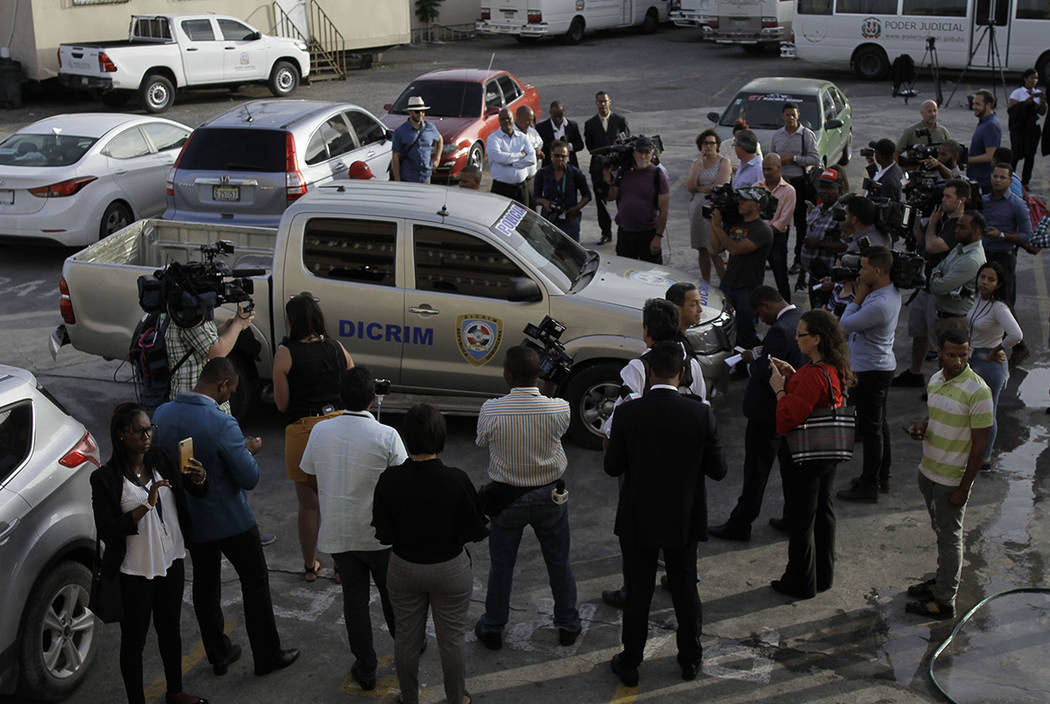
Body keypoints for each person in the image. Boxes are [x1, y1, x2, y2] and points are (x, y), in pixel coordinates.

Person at [152, 358, 299, 678]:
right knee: (255, 583)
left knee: (205, 585)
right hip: (231, 519)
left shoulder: (162, 414)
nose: (228, 397)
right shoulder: (221, 423)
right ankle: (267, 654)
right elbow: (249, 478)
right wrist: (248, 451)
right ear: (221, 385)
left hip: (190, 518)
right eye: (229, 391)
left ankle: (218, 653)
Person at [604, 341, 727, 687]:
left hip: (638, 517)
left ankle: (630, 661)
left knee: (638, 593)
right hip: (683, 518)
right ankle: (690, 658)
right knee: (685, 590)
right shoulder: (701, 413)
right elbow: (718, 470)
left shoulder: (628, 413)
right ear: (683, 373)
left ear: (648, 373)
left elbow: (613, 467)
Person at [90, 403, 208, 704]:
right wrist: (146, 505)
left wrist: (199, 479)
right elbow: (107, 528)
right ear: (121, 435)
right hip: (135, 570)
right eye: (139, 431)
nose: (147, 436)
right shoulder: (105, 478)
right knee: (134, 642)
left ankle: (175, 690)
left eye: (149, 429)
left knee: (170, 629)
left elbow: (188, 493)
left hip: (171, 559)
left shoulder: (162, 458)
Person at [299, 367, 407, 691]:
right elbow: (402, 484)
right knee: (394, 600)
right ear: (374, 398)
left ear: (340, 398)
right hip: (380, 538)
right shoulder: (387, 436)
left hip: (340, 535)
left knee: (354, 602)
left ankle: (366, 667)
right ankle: (406, 653)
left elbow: (310, 478)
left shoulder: (320, 431)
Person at [373, 404, 488, 704]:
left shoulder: (389, 479)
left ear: (407, 437)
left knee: (407, 639)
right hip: (450, 568)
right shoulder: (457, 479)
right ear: (440, 436)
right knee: (452, 641)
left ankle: (409, 697)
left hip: (403, 567)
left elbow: (382, 533)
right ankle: (456, 698)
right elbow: (476, 530)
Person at [474, 345, 581, 650]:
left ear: (508, 374)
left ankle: (493, 627)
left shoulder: (491, 409)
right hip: (550, 496)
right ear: (539, 374)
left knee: (502, 566)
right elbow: (554, 412)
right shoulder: (560, 408)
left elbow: (481, 441)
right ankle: (568, 624)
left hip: (507, 499)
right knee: (559, 562)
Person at [904, 329, 992, 620]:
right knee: (941, 532)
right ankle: (941, 580)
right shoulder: (935, 380)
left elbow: (980, 446)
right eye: (951, 354)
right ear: (939, 352)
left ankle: (944, 600)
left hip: (951, 479)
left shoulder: (978, 391)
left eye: (963, 355)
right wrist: (923, 427)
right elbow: (936, 416)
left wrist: (964, 487)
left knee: (950, 537)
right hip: (928, 470)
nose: (958, 360)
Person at [768, 309, 856, 598]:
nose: (796, 338)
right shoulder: (834, 368)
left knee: (801, 518)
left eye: (801, 334)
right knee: (823, 511)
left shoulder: (813, 376)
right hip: (828, 450)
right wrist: (794, 377)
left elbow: (787, 418)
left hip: (807, 455)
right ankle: (822, 575)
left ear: (816, 339)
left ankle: (800, 581)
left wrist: (780, 390)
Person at [710, 286, 803, 541]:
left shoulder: (779, 330)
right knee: (789, 468)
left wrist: (752, 361)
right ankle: (793, 517)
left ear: (767, 305)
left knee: (756, 472)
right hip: (789, 410)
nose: (761, 319)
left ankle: (740, 524)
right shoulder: (799, 321)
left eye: (760, 313)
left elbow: (766, 372)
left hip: (767, 413)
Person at [272, 292, 353, 582]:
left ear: (291, 321)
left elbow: (282, 404)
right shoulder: (336, 348)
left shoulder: (285, 353)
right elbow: (353, 385)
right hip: (337, 427)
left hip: (303, 430)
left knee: (309, 505)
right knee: (337, 501)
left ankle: (310, 566)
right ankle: (342, 568)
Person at [836, 247, 902, 503]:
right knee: (879, 426)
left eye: (863, 268)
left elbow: (844, 325)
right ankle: (880, 476)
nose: (859, 273)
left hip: (871, 371)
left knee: (872, 430)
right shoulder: (884, 292)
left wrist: (857, 297)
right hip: (873, 366)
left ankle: (869, 486)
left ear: (876, 270)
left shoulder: (881, 302)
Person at [894, 179, 971, 388]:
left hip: (939, 291)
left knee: (939, 340)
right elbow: (920, 238)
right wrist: (920, 214)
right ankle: (915, 372)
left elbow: (933, 245)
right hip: (924, 285)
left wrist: (933, 225)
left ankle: (944, 383)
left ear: (961, 200)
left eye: (948, 197)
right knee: (919, 332)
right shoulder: (941, 217)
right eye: (943, 196)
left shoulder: (959, 225)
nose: (943, 200)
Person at [966, 262, 1022, 471]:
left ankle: (985, 458)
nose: (985, 282)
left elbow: (1016, 335)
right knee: (972, 411)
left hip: (989, 364)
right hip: (973, 359)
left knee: (988, 413)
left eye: (991, 279)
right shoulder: (978, 299)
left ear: (998, 284)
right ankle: (975, 452)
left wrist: (998, 348)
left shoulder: (999, 307)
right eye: (983, 277)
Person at [710, 187, 775, 348]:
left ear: (757, 205)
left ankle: (745, 366)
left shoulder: (762, 230)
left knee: (745, 331)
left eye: (745, 200)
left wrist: (718, 228)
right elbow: (717, 247)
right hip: (728, 283)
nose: (740, 202)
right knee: (724, 327)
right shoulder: (735, 224)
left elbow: (735, 249)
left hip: (748, 288)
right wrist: (713, 223)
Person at [166, 306, 255, 416]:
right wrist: (238, 324)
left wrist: (229, 327)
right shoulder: (190, 311)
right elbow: (217, 352)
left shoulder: (179, 307)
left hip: (190, 401)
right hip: (197, 405)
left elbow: (203, 339)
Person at [769, 102, 819, 271]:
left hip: (799, 184)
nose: (790, 118)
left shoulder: (806, 135)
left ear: (798, 116)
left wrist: (794, 158)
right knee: (780, 222)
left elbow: (815, 159)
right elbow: (772, 159)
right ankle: (778, 257)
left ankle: (798, 260)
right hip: (782, 184)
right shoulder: (777, 135)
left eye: (793, 115)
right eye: (787, 114)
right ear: (782, 116)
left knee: (800, 223)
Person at [606, 135, 669, 264]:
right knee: (625, 272)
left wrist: (658, 237)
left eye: (647, 153)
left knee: (652, 275)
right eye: (640, 152)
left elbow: (664, 210)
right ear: (634, 153)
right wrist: (611, 178)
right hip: (625, 233)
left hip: (648, 233)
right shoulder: (623, 173)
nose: (643, 156)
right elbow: (611, 197)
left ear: (652, 154)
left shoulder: (657, 175)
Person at [927, 210, 987, 340]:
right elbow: (937, 268)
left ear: (976, 231)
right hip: (944, 317)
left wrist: (937, 277)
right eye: (957, 225)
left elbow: (938, 287)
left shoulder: (972, 259)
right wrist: (938, 274)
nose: (956, 230)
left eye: (962, 227)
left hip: (956, 322)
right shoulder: (960, 247)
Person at [982, 162, 1032, 312]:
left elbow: (1026, 235)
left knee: (1004, 303)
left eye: (1002, 177)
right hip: (983, 256)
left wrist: (1001, 235)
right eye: (995, 176)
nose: (998, 180)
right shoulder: (983, 201)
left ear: (1010, 181)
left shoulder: (1017, 205)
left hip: (1004, 258)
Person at [686, 129, 731, 282]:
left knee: (715, 250)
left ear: (717, 145)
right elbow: (690, 186)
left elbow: (719, 185)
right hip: (697, 210)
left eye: (712, 143)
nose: (709, 146)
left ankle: (725, 284)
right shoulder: (697, 162)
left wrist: (700, 188)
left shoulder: (723, 161)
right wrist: (697, 166)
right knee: (702, 249)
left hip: (713, 210)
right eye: (706, 143)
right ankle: (705, 283)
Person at [584, 91, 630, 244]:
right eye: (599, 101)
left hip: (617, 168)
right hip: (598, 168)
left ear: (610, 102)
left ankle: (625, 228)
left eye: (605, 101)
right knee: (600, 202)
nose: (602, 104)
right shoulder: (590, 124)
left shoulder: (620, 120)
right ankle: (606, 232)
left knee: (621, 199)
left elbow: (627, 143)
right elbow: (590, 147)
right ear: (596, 103)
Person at [798, 168, 846, 294]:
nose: (824, 191)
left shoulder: (843, 215)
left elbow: (845, 246)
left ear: (839, 189)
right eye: (821, 187)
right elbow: (807, 242)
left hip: (830, 280)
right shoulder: (816, 211)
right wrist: (802, 274)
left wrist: (820, 243)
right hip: (814, 276)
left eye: (829, 188)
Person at [535, 139, 592, 242]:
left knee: (571, 253)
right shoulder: (542, 173)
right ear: (551, 155)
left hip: (570, 219)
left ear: (568, 156)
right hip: (549, 219)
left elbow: (587, 195)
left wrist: (576, 208)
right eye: (557, 156)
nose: (560, 159)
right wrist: (544, 202)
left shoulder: (575, 173)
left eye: (563, 156)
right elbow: (535, 197)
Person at [758, 154, 797, 301]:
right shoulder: (757, 187)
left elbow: (783, 221)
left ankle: (787, 307)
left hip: (777, 239)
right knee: (756, 279)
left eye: (770, 169)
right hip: (759, 238)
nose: (766, 172)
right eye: (764, 169)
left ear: (779, 168)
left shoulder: (789, 191)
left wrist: (762, 229)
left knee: (781, 277)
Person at [486, 107, 535, 206]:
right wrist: (520, 155)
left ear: (514, 119)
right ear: (499, 121)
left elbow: (532, 159)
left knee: (524, 219)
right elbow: (498, 157)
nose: (506, 121)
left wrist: (509, 162)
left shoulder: (523, 137)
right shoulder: (493, 138)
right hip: (501, 188)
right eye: (502, 119)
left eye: (508, 118)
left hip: (521, 189)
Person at [391, 96, 443, 184]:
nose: (421, 114)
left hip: (426, 176)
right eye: (417, 111)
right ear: (410, 112)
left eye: (423, 111)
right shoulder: (399, 132)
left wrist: (437, 159)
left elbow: (440, 139)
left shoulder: (430, 127)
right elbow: (395, 157)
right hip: (408, 178)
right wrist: (397, 180)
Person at [1007, 68, 1045, 187]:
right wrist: (1028, 101)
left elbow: (1042, 112)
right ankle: (1010, 179)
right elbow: (1013, 110)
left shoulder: (1038, 93)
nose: (1034, 80)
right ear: (1025, 79)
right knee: (1016, 154)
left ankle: (1025, 181)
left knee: (1030, 155)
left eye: (1036, 78)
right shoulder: (1017, 93)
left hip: (1033, 128)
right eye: (1032, 78)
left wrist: (1042, 101)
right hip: (1019, 128)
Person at [967, 89, 1002, 194]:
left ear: (989, 105)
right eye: (973, 104)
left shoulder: (990, 125)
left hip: (983, 181)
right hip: (977, 178)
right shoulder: (984, 122)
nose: (974, 107)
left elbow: (990, 155)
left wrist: (966, 159)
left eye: (977, 104)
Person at [536, 101, 584, 168]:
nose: (557, 118)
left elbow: (580, 145)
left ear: (564, 112)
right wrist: (554, 145)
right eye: (555, 116)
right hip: (550, 167)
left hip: (570, 166)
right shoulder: (541, 128)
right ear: (550, 113)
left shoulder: (572, 126)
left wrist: (568, 146)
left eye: (560, 115)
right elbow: (540, 148)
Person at [515, 105, 544, 208]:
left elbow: (539, 144)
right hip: (518, 181)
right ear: (518, 118)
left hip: (532, 179)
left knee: (532, 209)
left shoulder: (531, 131)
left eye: (531, 120)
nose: (530, 123)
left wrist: (538, 151)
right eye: (527, 120)